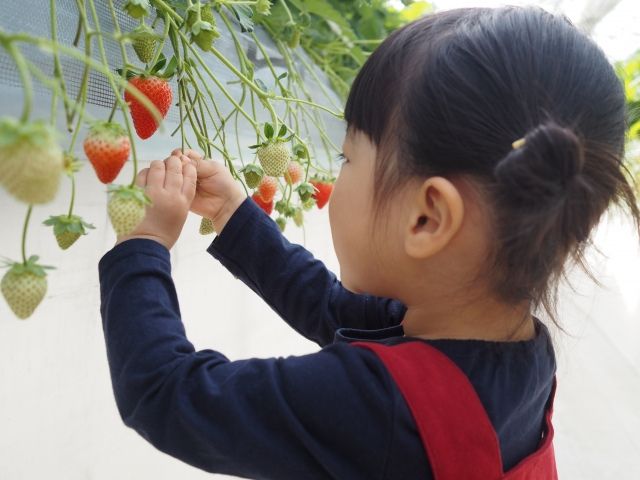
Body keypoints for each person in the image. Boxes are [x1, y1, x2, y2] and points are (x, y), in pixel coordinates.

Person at [98, 6, 639, 479]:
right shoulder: (517, 350)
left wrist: (142, 243)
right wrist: (234, 215)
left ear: (426, 219)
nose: (339, 170)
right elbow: (333, 309)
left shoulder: (379, 410)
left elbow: (165, 395)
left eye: (347, 158)